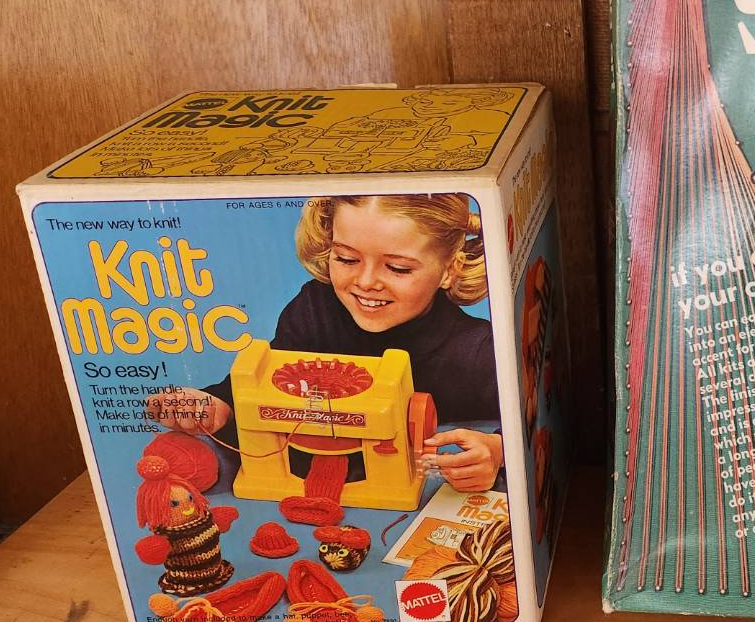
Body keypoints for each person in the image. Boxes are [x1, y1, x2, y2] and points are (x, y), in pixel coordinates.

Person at [148, 194, 503, 493]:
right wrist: (219, 404)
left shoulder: (477, 350)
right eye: (346, 259)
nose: (366, 282)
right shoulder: (314, 310)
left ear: (450, 269)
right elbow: (270, 381)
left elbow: (527, 422)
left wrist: (497, 449)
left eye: (397, 268)